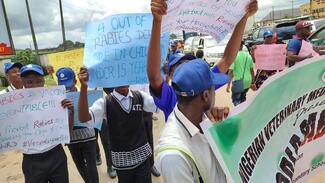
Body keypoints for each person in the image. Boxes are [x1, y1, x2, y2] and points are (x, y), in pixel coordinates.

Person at [148, 0, 258, 120]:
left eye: (189, 62)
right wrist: (157, 21)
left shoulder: (204, 82)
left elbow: (227, 60)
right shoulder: (169, 96)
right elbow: (154, 76)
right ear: (171, 76)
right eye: (179, 65)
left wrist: (244, 17)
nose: (187, 66)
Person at [77, 67, 159, 183]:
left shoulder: (140, 96)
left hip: (143, 157)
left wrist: (158, 78)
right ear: (111, 81)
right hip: (122, 161)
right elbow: (84, 118)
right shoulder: (105, 102)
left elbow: (160, 104)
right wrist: (84, 87)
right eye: (117, 77)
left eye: (124, 76)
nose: (122, 81)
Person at [156, 59, 230, 182]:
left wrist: (221, 130)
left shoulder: (204, 119)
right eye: (213, 88)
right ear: (206, 95)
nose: (215, 93)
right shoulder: (173, 156)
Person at [20, 64, 73, 183]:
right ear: (22, 81)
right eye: (30, 82)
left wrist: (69, 111)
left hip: (56, 154)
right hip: (32, 161)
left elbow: (68, 132)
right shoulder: (14, 105)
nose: (35, 86)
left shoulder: (55, 98)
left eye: (39, 81)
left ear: (44, 80)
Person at [56, 67, 99, 183]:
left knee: (91, 167)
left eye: (69, 85)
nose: (67, 88)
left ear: (75, 81)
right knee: (80, 166)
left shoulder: (86, 94)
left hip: (88, 136)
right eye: (64, 86)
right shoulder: (58, 100)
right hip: (72, 139)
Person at [130, 84, 160, 177]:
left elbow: (148, 89)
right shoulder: (123, 73)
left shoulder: (142, 72)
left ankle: (151, 164)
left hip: (145, 108)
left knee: (148, 137)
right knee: (132, 138)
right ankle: (135, 165)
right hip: (129, 109)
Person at [226, 41, 255, 106]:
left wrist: (228, 85)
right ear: (242, 46)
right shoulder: (248, 55)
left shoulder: (234, 56)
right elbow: (252, 70)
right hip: (248, 81)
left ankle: (240, 113)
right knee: (243, 97)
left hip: (239, 82)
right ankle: (243, 108)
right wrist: (253, 82)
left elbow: (230, 72)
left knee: (236, 100)